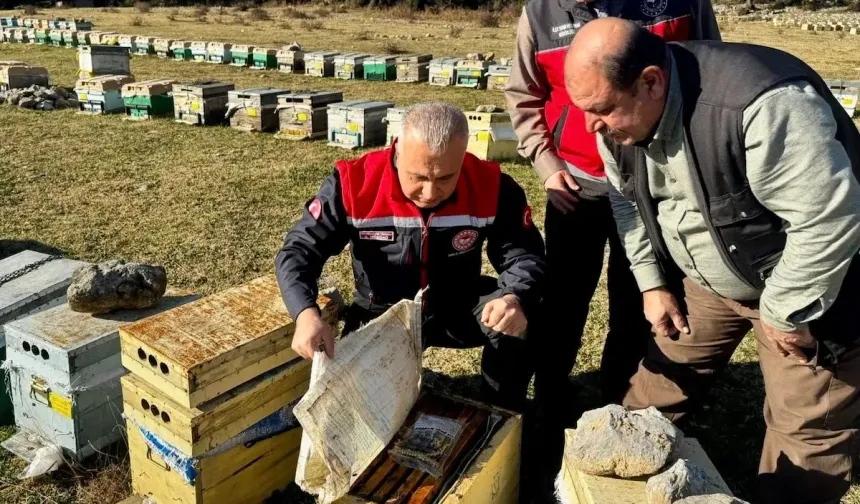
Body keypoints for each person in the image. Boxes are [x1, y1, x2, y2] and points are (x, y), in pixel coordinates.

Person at [565, 17, 860, 504]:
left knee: (806, 437)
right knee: (652, 394)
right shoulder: (615, 120)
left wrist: (785, 313)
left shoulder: (763, 106)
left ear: (651, 82)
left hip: (810, 290)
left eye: (601, 110)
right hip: (710, 280)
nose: (590, 126)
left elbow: (826, 219)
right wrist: (652, 283)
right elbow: (626, 201)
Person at [505, 0, 720, 499]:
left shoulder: (682, 2)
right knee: (562, 301)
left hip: (655, 181)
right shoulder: (538, 13)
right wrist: (544, 160)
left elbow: (711, 70)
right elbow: (523, 95)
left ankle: (622, 409)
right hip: (574, 184)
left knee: (639, 299)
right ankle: (552, 401)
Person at [275, 102, 547, 411]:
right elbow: (298, 251)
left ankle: (502, 415)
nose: (430, 193)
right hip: (380, 311)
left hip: (456, 304)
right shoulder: (353, 183)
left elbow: (525, 255)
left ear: (464, 156)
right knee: (359, 405)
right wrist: (304, 313)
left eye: (446, 177)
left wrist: (514, 297)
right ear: (397, 152)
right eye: (417, 177)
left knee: (526, 316)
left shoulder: (493, 185)